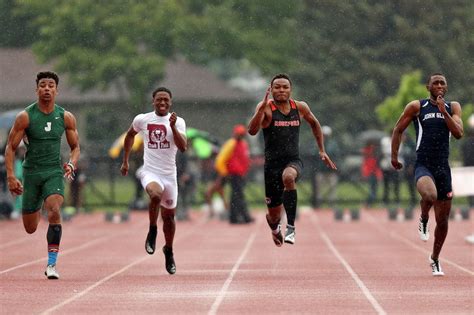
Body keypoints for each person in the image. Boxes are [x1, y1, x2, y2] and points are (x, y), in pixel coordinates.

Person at [5, 71, 80, 279]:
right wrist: (11, 176)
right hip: (31, 173)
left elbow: (76, 147)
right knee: (30, 228)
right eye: (43, 85)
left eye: (51, 85)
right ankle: (35, 202)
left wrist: (72, 164)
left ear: (56, 90)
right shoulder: (25, 117)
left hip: (53, 171)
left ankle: (51, 265)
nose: (47, 89)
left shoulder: (65, 117)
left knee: (54, 209)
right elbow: (10, 148)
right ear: (36, 89)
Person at [248, 73, 337, 246]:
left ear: (290, 90)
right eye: (277, 87)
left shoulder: (300, 107)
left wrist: (322, 150)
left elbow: (315, 124)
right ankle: (275, 228)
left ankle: (290, 227)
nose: (281, 90)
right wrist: (259, 111)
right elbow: (252, 131)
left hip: (293, 161)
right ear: (271, 89)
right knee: (273, 216)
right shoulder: (266, 107)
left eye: (285, 87)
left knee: (288, 178)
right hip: (271, 166)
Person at [391, 73, 464, 276]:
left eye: (443, 83)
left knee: (442, 221)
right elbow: (398, 129)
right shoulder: (417, 107)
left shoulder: (453, 107)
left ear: (446, 88)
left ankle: (435, 258)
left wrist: (444, 113)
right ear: (428, 87)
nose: (439, 86)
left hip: (443, 168)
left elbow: (458, 133)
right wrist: (394, 157)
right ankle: (423, 217)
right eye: (435, 83)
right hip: (423, 165)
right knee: (429, 196)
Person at [120, 87, 187, 275]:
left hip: (169, 175)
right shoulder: (142, 119)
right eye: (159, 99)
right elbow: (130, 135)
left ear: (171, 102)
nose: (163, 103)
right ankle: (152, 230)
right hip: (150, 171)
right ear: (153, 101)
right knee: (155, 195)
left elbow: (183, 148)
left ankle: (169, 250)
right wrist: (125, 161)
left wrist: (172, 127)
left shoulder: (179, 122)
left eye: (166, 100)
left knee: (169, 217)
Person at [216, 124, 253, 224]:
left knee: (237, 196)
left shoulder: (243, 144)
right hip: (234, 174)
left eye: (242, 134)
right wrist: (224, 173)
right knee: (237, 196)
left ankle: (238, 217)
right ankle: (241, 217)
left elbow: (245, 159)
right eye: (239, 134)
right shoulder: (231, 143)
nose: (241, 136)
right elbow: (220, 159)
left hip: (240, 174)